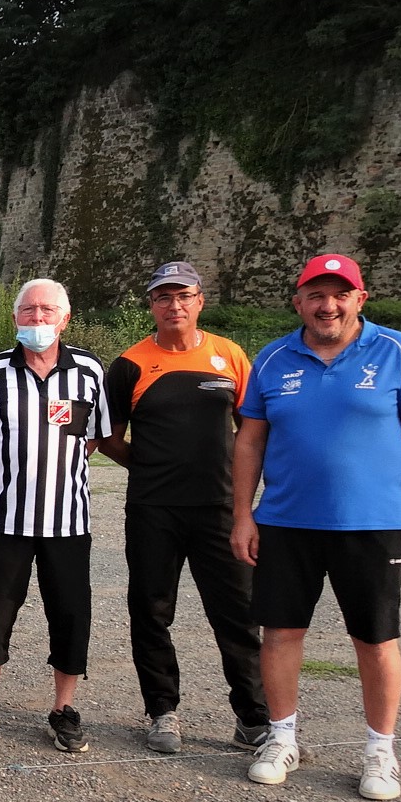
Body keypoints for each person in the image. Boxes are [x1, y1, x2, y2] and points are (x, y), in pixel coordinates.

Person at [230, 253, 401, 801]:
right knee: (279, 633)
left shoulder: (396, 350)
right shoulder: (274, 358)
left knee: (375, 638)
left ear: (359, 299)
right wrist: (243, 514)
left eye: (340, 294)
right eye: (316, 295)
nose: (328, 305)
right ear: (298, 302)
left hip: (371, 523)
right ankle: (281, 739)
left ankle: (379, 751)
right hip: (286, 520)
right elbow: (250, 440)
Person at [100, 262, 268, 754]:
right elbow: (107, 437)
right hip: (154, 509)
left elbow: (254, 432)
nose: (174, 306)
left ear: (200, 301)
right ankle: (162, 712)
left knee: (237, 614)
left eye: (183, 296)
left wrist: (249, 500)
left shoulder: (230, 356)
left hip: (221, 508)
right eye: (162, 297)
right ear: (151, 305)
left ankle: (254, 718)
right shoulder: (130, 363)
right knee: (152, 611)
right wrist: (149, 469)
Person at [0, 278, 109, 752]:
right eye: (28, 311)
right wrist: (13, 466)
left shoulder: (88, 372)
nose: (37, 319)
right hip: (5, 521)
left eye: (47, 311)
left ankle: (64, 708)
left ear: (64, 318)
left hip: (67, 522)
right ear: (16, 317)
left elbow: (95, 437)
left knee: (69, 614)